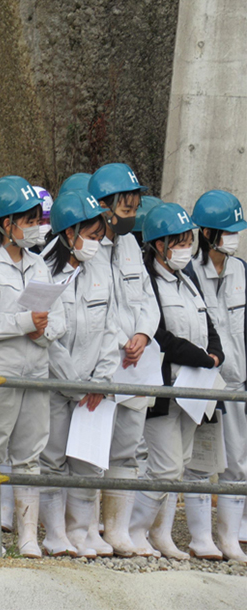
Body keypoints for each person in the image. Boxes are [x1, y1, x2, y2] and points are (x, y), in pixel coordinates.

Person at [0, 175, 66, 557]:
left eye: (37, 218)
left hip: (35, 372)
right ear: (6, 224)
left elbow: (60, 316)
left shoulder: (40, 266)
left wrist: (44, 330)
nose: (35, 226)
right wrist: (25, 323)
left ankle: (26, 536)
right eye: (28, 219)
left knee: (30, 454)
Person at [129, 203, 224, 559]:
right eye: (177, 241)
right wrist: (202, 357)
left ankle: (161, 535)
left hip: (194, 388)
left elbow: (208, 323)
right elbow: (160, 336)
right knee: (165, 466)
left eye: (187, 241)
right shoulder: (148, 282)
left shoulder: (188, 280)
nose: (185, 248)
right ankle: (135, 530)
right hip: (164, 387)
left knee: (179, 463)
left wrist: (215, 354)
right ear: (157, 244)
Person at [39, 189, 119, 558]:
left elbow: (110, 328)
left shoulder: (101, 268)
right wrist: (73, 382)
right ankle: (55, 535)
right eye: (91, 235)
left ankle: (81, 533)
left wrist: (101, 381)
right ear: (68, 234)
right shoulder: (42, 270)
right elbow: (45, 338)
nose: (96, 243)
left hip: (93, 389)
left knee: (87, 463)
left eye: (100, 236)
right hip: (57, 386)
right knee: (52, 461)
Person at [88, 163, 161, 557]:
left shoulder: (132, 246)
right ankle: (87, 528)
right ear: (103, 206)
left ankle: (118, 530)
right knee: (92, 449)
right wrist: (121, 339)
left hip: (136, 363)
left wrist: (143, 334)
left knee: (127, 449)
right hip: (103, 361)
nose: (132, 213)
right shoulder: (89, 247)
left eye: (135, 206)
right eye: (126, 206)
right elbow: (94, 309)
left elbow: (147, 299)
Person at [189, 190, 247, 563]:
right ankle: (199, 538)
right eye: (227, 231)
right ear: (207, 233)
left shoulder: (241, 269)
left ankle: (230, 537)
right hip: (204, 384)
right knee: (198, 463)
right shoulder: (190, 273)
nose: (234, 237)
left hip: (238, 384)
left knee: (239, 463)